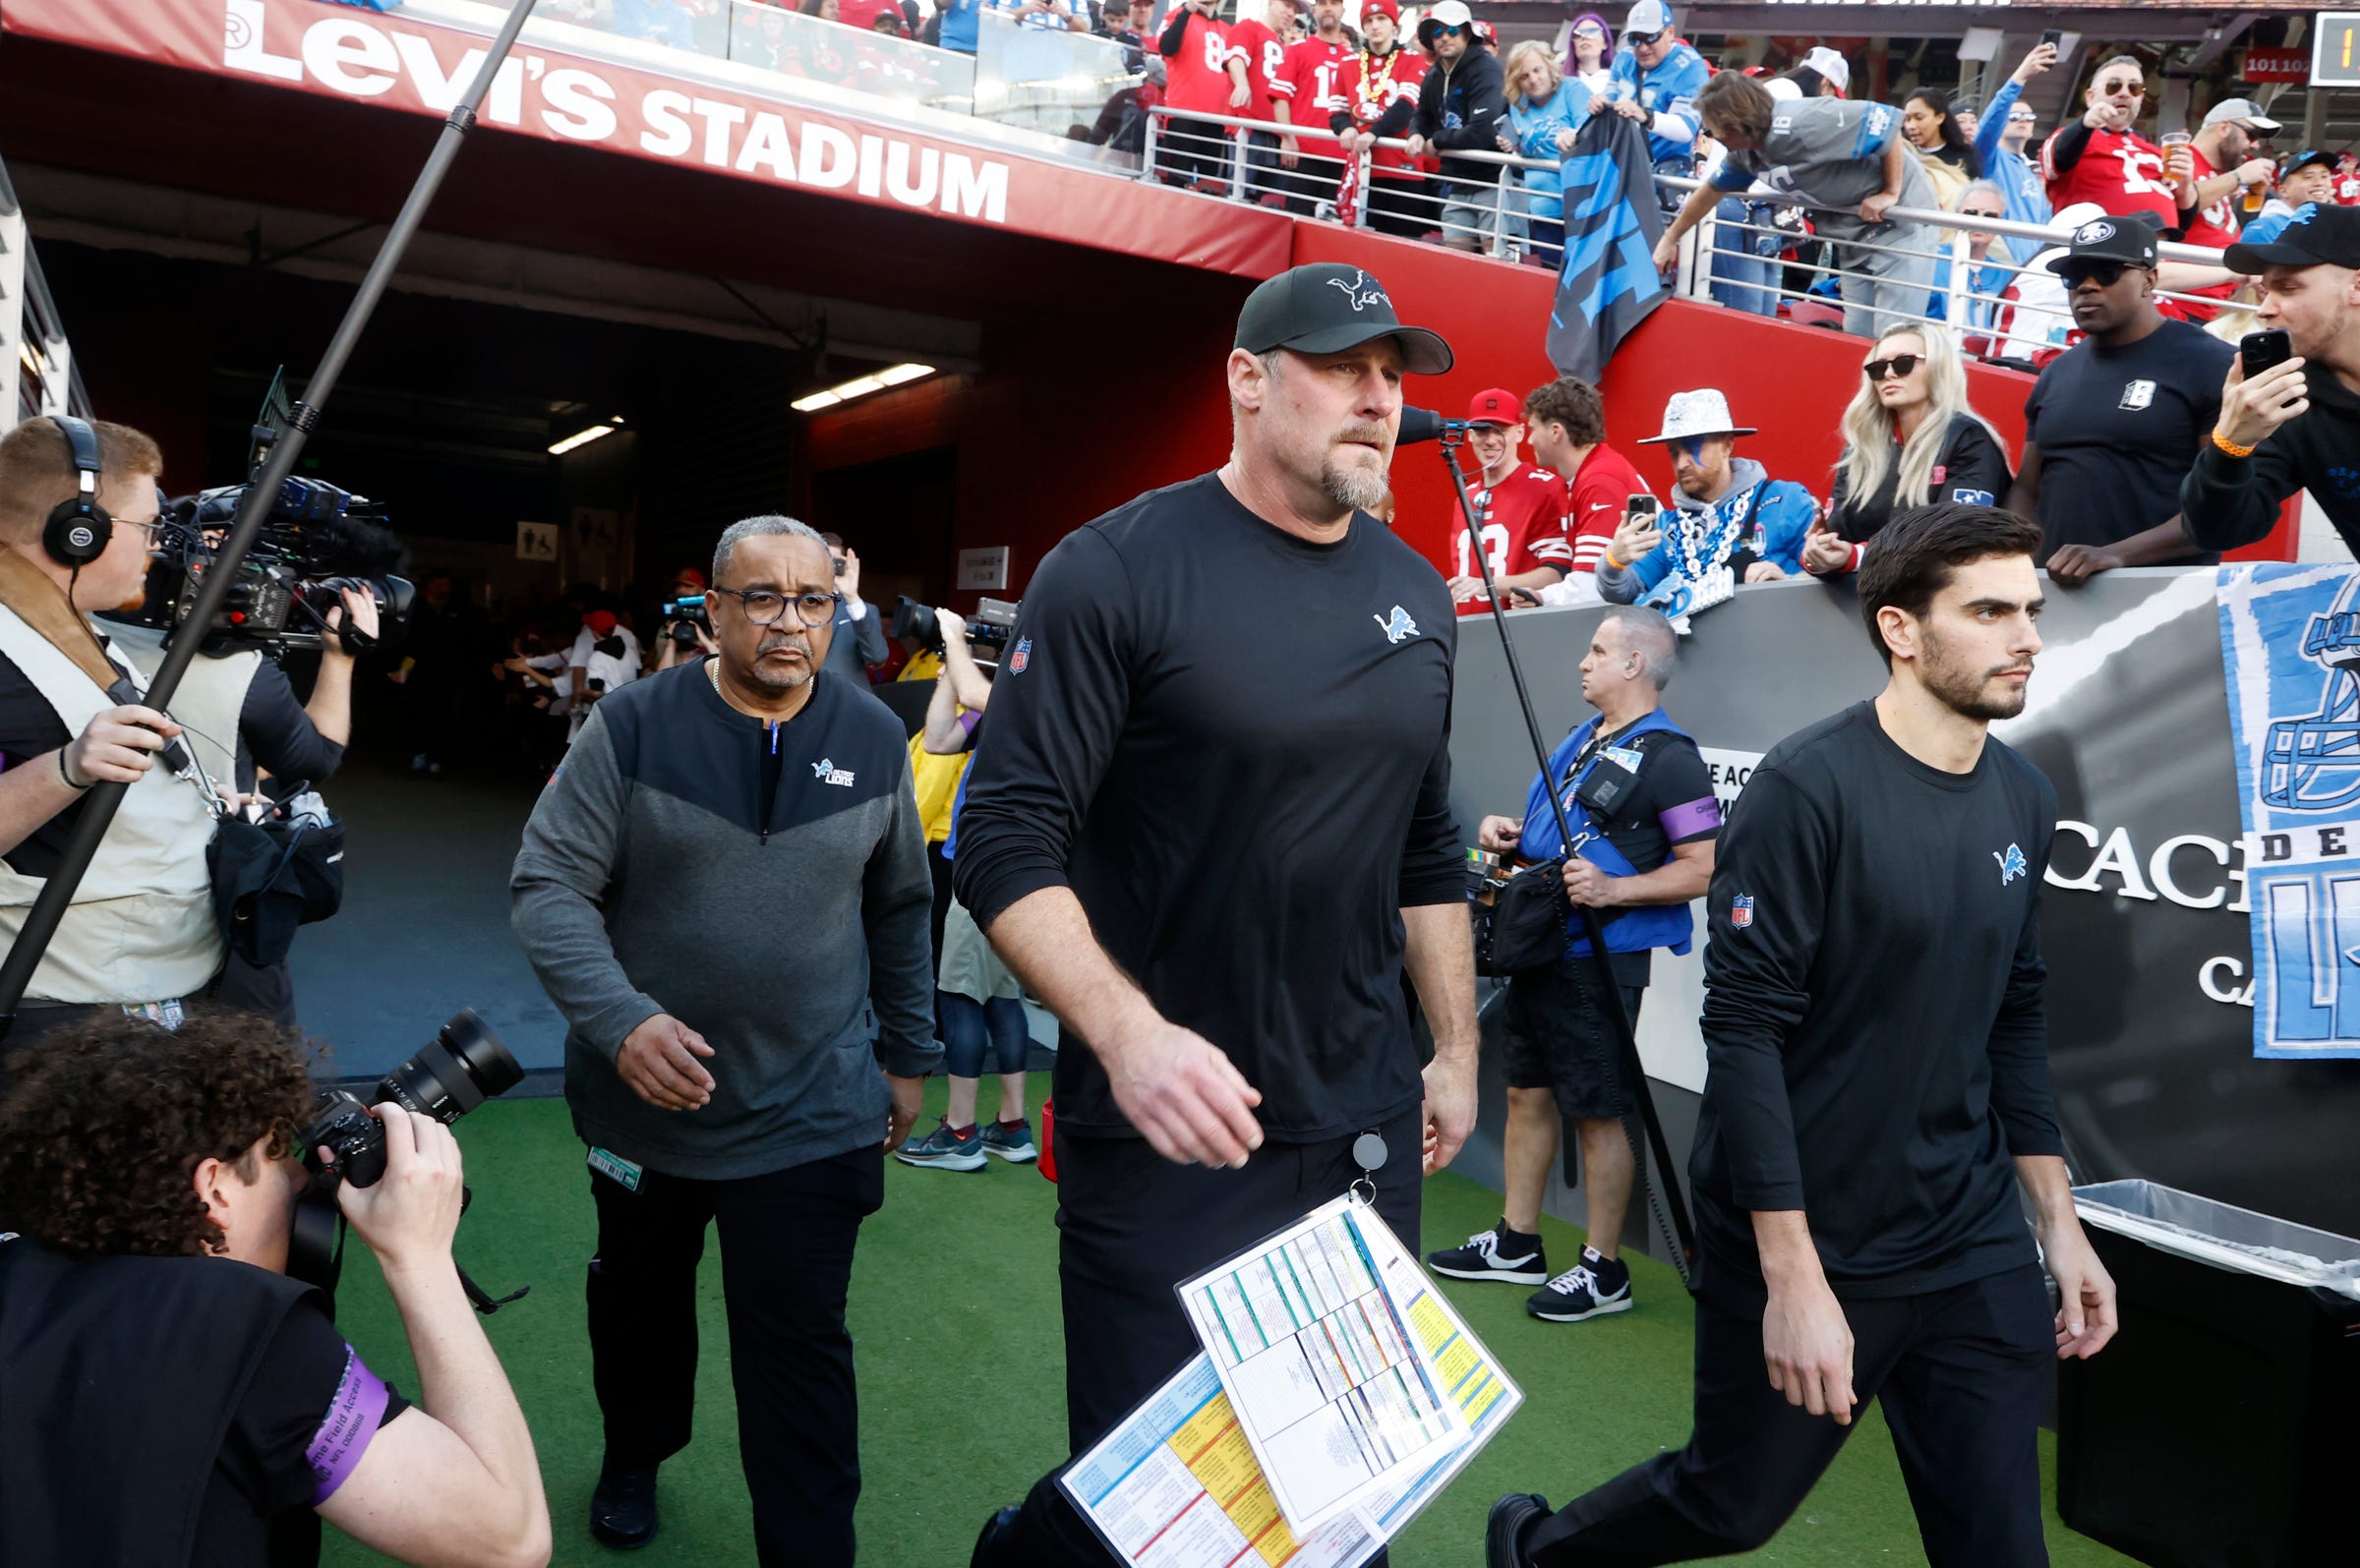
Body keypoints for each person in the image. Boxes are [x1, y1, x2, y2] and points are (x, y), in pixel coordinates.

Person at [960, 262, 1477, 1568]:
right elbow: (1001, 833)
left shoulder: (1419, 592)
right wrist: (1132, 1040)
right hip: (1173, 1125)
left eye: (1394, 373)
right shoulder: (1117, 568)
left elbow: (1424, 845)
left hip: (1359, 1123)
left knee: (1327, 1497)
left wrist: (1458, 1046)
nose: (1380, 395)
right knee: (1163, 1519)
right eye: (1345, 365)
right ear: (1248, 381)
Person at [1489, 501, 2120, 1568]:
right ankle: (1538, 1547)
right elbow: (1741, 1033)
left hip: (1966, 1233)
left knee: (2001, 1542)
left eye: (2032, 609)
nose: (2026, 636)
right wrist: (1793, 1274)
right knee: (1731, 1503)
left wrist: (2056, 1220)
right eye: (1990, 610)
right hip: (1805, 1230)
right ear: (1902, 630)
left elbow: (2015, 1010)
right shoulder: (1805, 787)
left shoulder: (2024, 795)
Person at [510, 514, 939, 1562]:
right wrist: (622, 1022)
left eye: (812, 600)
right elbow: (548, 886)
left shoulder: (878, 734)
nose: (790, 622)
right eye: (762, 597)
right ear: (715, 613)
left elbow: (899, 904)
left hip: (812, 1104)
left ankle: (808, 1544)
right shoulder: (635, 725)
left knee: (798, 1345)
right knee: (640, 1306)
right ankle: (635, 1450)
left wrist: (909, 1051)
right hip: (643, 1106)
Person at [0, 1011, 552, 1568]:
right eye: (275, 1155)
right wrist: (419, 1259)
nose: (300, 1177)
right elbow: (509, 1541)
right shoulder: (240, 1335)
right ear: (213, 1189)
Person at [1428, 607, 1716, 1322]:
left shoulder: (1673, 757)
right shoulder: (1583, 739)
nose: (1583, 662)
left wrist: (1618, 889)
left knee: (1599, 1112)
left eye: (1597, 650)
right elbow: (1563, 840)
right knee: (1526, 1091)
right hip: (1542, 947)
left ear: (1633, 665)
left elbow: (1707, 866)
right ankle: (1517, 1241)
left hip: (1602, 960)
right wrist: (1515, 838)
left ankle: (1603, 1268)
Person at [0, 415, 219, 1051]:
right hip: (69, 1021)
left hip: (125, 1001)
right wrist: (67, 766)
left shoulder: (65, 621)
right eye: (146, 526)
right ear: (78, 531)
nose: (156, 545)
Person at [2002, 214, 2233, 572]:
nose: (2087, 287)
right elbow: (2026, 489)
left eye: (2107, 272)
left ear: (2149, 280)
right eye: (2075, 276)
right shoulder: (2056, 373)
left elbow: (2219, 507)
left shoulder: (2211, 363)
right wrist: (2022, 557)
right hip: (2054, 594)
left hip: (2164, 595)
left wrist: (2115, 555)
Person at [897, 612, 1037, 1170]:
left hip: (988, 870)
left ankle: (958, 1133)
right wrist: (947, 675)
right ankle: (1011, 1123)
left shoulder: (1029, 696)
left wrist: (955, 639)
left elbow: (984, 691)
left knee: (958, 995)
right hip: (1004, 870)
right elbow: (937, 740)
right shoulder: (1009, 703)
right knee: (1002, 997)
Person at [1663, 72, 1937, 339]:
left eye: (1712, 130)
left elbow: (1886, 123)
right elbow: (1711, 190)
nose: (1712, 137)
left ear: (1733, 125)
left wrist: (1891, 191)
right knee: (1858, 336)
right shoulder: (1745, 153)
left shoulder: (1803, 122)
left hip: (1899, 228)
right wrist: (1670, 239)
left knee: (1895, 338)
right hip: (1855, 235)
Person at [2168, 204, 2360, 568]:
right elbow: (2217, 532)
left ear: (2356, 286)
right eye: (2264, 292)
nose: (2265, 310)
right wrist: (2230, 444)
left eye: (2288, 288)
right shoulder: (2290, 400)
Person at [1596, 388, 1818, 623]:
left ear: (1727, 445)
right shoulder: (1666, 526)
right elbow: (1626, 595)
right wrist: (1613, 561)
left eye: (1693, 449)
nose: (1681, 464)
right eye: (1674, 453)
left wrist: (1788, 587)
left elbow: (1830, 575)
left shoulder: (1784, 499)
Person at [1808, 327, 2012, 572]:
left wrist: (1858, 556)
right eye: (1878, 368)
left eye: (1903, 363)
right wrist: (1818, 552)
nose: (1889, 374)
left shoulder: (1968, 438)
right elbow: (1839, 537)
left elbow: (1957, 539)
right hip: (1862, 597)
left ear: (1938, 368)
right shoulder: (1862, 446)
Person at [1521, 374, 1653, 598]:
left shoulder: (1600, 480)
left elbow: (1591, 590)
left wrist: (1544, 599)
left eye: (1533, 429)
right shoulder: (1584, 477)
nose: (1529, 440)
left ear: (1555, 431)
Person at [1446, 386, 1575, 612]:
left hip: (1519, 628)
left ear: (1520, 432)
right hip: (1468, 629)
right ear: (1469, 435)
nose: (1491, 440)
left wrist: (1486, 585)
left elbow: (1557, 572)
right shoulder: (1466, 496)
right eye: (1481, 430)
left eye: (1501, 430)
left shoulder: (1545, 488)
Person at [2041, 55, 2186, 234]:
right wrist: (2085, 124)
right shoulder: (2073, 137)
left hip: (2160, 247)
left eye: (2134, 88)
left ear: (2141, 97)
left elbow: (2185, 214)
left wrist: (2186, 180)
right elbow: (2060, 157)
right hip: (2100, 246)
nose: (2124, 93)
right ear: (2091, 97)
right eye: (2113, 86)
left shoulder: (2155, 152)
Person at [1407, 0, 1508, 252]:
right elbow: (1421, 113)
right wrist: (1416, 133)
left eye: (1452, 30)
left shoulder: (1486, 68)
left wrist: (1436, 141)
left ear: (1466, 32)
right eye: (1437, 32)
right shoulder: (1435, 73)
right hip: (1457, 184)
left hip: (1493, 183)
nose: (1444, 38)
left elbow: (1484, 130)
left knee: (1497, 264)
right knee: (1458, 262)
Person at [1331, 0, 1429, 238]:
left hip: (1403, 170)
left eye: (1382, 19)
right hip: (1362, 172)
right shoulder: (1347, 64)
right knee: (1360, 244)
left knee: (1404, 248)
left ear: (1394, 24)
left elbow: (1407, 107)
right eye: (1369, 21)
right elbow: (1336, 112)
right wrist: (1345, 128)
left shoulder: (1413, 60)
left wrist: (1373, 133)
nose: (1375, 26)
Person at [1608, 0, 1707, 210]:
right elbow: (1609, 98)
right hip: (1623, 166)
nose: (1642, 48)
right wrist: (1599, 104)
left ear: (1670, 32)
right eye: (1635, 39)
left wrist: (1646, 116)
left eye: (1651, 37)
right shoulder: (1624, 58)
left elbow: (1685, 129)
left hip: (1665, 170)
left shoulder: (1690, 66)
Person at [1501, 40, 1590, 264]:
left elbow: (1592, 129)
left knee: (1582, 276)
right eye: (1524, 76)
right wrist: (1513, 146)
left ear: (1549, 67)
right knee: (1551, 275)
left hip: (1580, 204)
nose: (1533, 79)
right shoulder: (1518, 105)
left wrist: (1573, 134)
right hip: (1543, 208)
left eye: (1537, 70)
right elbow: (1528, 152)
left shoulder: (1572, 89)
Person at [1271, 0, 1354, 213]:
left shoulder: (1354, 60)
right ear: (1314, 10)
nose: (1328, 8)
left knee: (1334, 226)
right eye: (1323, 3)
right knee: (1296, 220)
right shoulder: (1298, 50)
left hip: (1341, 156)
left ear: (1343, 10)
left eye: (1334, 3)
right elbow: (1280, 97)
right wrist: (1287, 137)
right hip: (1305, 153)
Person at [1158, 0, 1252, 190]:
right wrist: (1186, 12)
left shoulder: (1227, 29)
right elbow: (1166, 47)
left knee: (1211, 186)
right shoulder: (1177, 15)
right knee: (1179, 181)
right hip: (1183, 115)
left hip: (1216, 119)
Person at [1975, 40, 2057, 233]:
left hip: (2034, 259)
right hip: (2002, 258)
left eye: (2029, 117)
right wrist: (2020, 77)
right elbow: (1988, 127)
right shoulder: (1989, 158)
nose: (2023, 121)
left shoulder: (2035, 173)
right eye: (2014, 117)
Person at [1927, 180, 2022, 329]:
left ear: (2001, 224)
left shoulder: (2008, 275)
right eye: (1971, 213)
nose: (1979, 221)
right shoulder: (1931, 260)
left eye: (1990, 216)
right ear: (1956, 218)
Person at [1902, 86, 1981, 206]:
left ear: (1940, 117)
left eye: (1919, 118)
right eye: (1907, 119)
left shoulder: (1965, 156)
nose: (1911, 126)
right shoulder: (1903, 156)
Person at [2261, 147, 2337, 221]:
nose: (2319, 183)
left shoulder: (2332, 223)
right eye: (2308, 177)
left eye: (2324, 176)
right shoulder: (2267, 228)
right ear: (2283, 191)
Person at [1563, 10, 1613, 96]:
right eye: (1578, 35)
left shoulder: (1616, 81)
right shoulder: (1562, 82)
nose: (1584, 37)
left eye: (1592, 32)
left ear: (1605, 43)